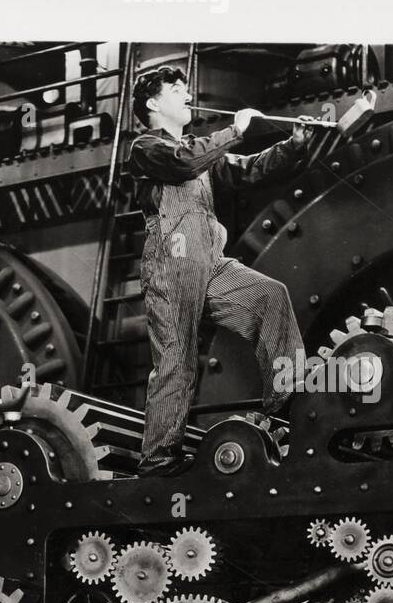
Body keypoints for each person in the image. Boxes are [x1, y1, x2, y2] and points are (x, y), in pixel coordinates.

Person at [128, 66, 316, 476]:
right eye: (175, 90)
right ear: (153, 103)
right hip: (171, 266)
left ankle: (287, 400)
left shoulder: (201, 151)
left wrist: (293, 146)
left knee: (270, 296)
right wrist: (235, 130)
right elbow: (183, 163)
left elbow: (248, 169)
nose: (186, 94)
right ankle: (157, 459)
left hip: (210, 262)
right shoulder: (147, 147)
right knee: (176, 359)